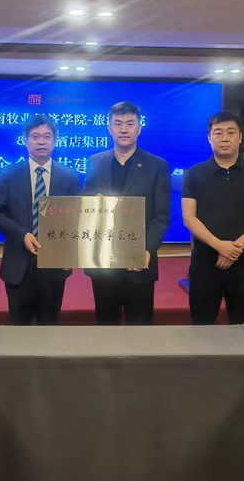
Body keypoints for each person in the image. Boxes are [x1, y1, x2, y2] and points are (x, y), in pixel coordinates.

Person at [181, 111, 244, 324]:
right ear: (209, 138)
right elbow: (189, 218)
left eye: (231, 132)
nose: (224, 138)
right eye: (218, 133)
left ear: (240, 137)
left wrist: (234, 249)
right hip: (205, 262)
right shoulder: (194, 174)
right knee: (201, 324)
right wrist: (219, 246)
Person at [83, 101, 171, 325]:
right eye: (118, 123)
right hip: (103, 262)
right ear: (109, 128)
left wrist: (147, 250)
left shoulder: (157, 166)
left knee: (140, 330)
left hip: (139, 263)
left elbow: (161, 216)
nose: (124, 129)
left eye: (130, 124)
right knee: (106, 326)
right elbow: (86, 208)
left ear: (139, 129)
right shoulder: (95, 162)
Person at [0, 115, 81, 324]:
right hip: (18, 264)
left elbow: (76, 218)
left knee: (49, 326)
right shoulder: (8, 176)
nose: (41, 141)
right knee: (18, 328)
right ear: (25, 140)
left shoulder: (69, 177)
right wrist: (22, 235)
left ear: (55, 141)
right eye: (35, 136)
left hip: (54, 266)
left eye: (47, 136)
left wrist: (69, 254)